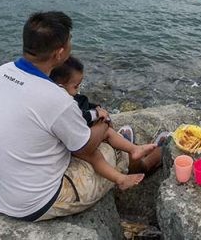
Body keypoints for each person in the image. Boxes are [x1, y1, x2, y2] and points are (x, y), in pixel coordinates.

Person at [0, 11, 162, 221]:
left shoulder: (2, 72)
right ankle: (143, 164)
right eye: (69, 40)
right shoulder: (56, 98)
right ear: (59, 53)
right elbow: (86, 148)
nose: (71, 44)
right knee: (107, 148)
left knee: (76, 138)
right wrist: (103, 125)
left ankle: (132, 152)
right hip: (36, 203)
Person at [50, 56, 164, 190]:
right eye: (76, 86)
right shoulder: (63, 105)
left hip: (73, 140)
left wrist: (96, 108)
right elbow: (79, 117)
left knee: (107, 134)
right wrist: (97, 114)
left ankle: (133, 150)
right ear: (60, 87)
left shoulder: (59, 96)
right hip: (74, 145)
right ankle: (128, 164)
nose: (78, 90)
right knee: (97, 153)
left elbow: (82, 104)